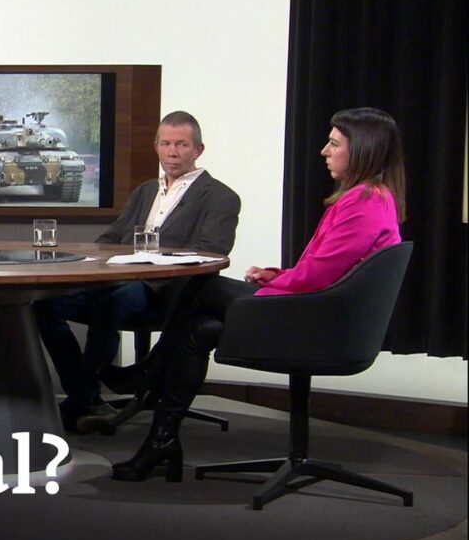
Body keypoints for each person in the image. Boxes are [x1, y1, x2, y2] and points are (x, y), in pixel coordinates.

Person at [107, 107, 406, 482]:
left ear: (362, 149)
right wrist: (276, 276)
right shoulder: (363, 198)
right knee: (199, 328)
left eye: (333, 144)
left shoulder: (366, 203)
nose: (324, 151)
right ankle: (161, 441)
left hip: (321, 322)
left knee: (201, 285)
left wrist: (270, 286)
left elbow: (319, 277)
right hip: (315, 308)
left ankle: (147, 374)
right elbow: (322, 268)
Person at [34, 111, 241, 432]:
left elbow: (212, 252)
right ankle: (84, 394)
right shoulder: (145, 191)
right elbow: (112, 238)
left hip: (170, 292)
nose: (172, 152)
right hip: (121, 282)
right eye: (166, 144)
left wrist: (154, 262)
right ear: (156, 147)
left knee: (108, 306)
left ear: (198, 150)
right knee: (45, 305)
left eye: (182, 145)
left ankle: (84, 398)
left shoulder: (220, 197)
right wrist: (92, 263)